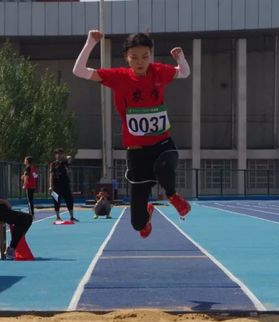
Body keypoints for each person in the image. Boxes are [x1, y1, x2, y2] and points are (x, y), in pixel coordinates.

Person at [73, 29, 191, 238]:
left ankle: (173, 195)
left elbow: (184, 72)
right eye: (134, 57)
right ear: (126, 58)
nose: (140, 62)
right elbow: (79, 71)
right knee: (138, 225)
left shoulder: (159, 71)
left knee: (164, 166)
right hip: (137, 153)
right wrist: (91, 42)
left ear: (151, 55)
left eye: (145, 56)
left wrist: (180, 57)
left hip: (163, 144)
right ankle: (146, 213)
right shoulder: (119, 77)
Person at [49, 149, 77, 222]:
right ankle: (58, 217)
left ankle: (72, 217)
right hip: (56, 185)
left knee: (69, 200)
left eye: (60, 154)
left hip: (65, 184)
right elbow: (51, 175)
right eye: (57, 154)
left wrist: (64, 158)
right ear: (55, 155)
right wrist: (50, 186)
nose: (58, 155)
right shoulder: (53, 164)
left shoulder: (65, 162)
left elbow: (69, 157)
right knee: (56, 201)